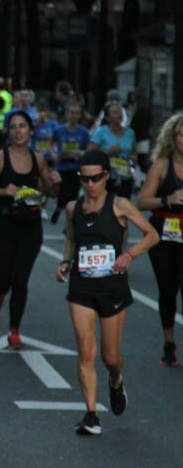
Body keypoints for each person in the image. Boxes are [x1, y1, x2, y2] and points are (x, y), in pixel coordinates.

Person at [56, 150, 158, 435]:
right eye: (85, 179)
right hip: (82, 286)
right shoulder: (72, 208)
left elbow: (153, 234)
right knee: (86, 351)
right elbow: (71, 240)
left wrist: (130, 255)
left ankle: (116, 380)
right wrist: (65, 262)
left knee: (109, 357)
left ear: (107, 176)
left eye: (96, 178)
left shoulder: (120, 205)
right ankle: (91, 414)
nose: (90, 184)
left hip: (112, 287)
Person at [0, 110, 62, 349]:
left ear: (31, 130)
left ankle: (14, 330)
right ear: (9, 131)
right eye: (13, 127)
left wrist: (55, 183)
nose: (18, 131)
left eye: (22, 126)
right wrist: (3, 191)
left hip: (31, 226)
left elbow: (49, 192)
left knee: (21, 280)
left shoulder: (39, 159)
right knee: (2, 281)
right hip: (4, 225)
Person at [137, 114, 183, 366]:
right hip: (164, 230)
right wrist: (168, 200)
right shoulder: (161, 166)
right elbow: (142, 202)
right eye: (182, 134)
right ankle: (169, 341)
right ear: (173, 138)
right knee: (167, 289)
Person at [51, 103, 91, 224]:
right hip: (62, 166)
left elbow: (88, 149)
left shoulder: (83, 132)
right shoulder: (59, 130)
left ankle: (70, 221)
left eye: (77, 113)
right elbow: (51, 145)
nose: (74, 116)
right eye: (71, 113)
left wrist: (80, 152)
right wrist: (54, 155)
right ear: (67, 114)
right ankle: (59, 208)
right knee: (63, 191)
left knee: (73, 193)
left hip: (76, 166)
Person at [87, 103, 136, 198]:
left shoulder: (130, 133)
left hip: (125, 175)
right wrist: (108, 151)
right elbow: (90, 154)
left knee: (123, 205)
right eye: (115, 112)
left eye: (120, 112)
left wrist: (133, 159)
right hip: (106, 176)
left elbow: (134, 152)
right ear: (107, 118)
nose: (119, 114)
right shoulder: (100, 132)